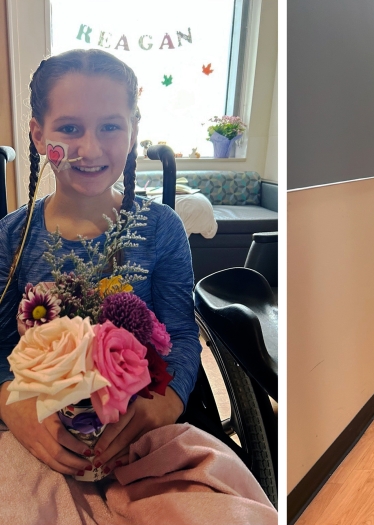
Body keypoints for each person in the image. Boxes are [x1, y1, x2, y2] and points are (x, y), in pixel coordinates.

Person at [0, 49, 276, 523]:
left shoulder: (161, 229)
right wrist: (12, 407)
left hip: (144, 429)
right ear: (38, 133)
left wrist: (163, 406)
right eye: (69, 128)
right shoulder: (11, 237)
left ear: (133, 131)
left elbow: (183, 336)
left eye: (110, 126)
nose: (90, 148)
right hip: (45, 431)